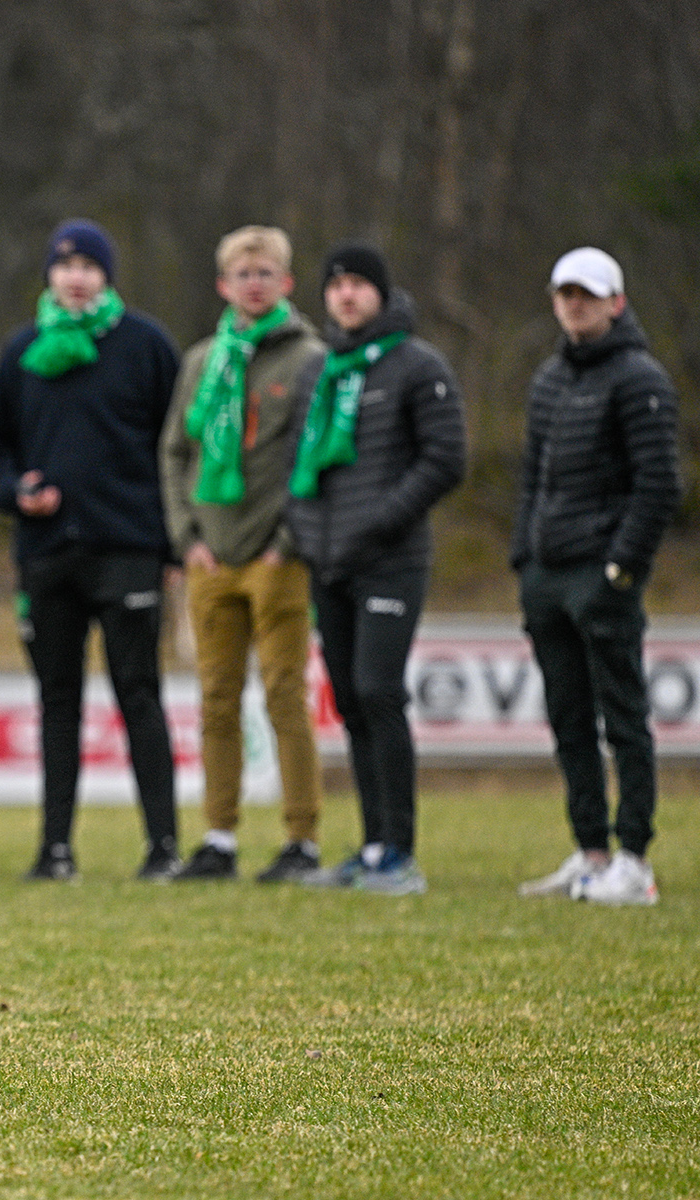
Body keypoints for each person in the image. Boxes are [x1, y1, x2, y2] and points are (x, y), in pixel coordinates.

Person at [0, 219, 182, 883]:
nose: (76, 275)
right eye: (64, 264)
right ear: (49, 275)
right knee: (57, 702)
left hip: (129, 549)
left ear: (107, 275)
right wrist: (15, 490)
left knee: (138, 694)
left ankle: (163, 847)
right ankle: (55, 849)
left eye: (89, 264)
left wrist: (173, 544)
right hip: (47, 553)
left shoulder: (146, 345)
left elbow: (179, 451)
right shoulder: (23, 351)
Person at [286, 243, 466, 895]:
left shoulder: (418, 366)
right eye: (336, 284)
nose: (346, 294)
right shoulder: (319, 371)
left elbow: (446, 459)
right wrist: (310, 538)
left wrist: (379, 520)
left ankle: (402, 855)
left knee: (379, 690)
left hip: (391, 561)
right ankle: (371, 847)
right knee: (352, 704)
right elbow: (297, 472)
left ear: (382, 295)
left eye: (360, 283)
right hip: (328, 564)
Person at [159, 227, 326, 883]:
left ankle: (301, 839)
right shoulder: (202, 360)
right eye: (241, 274)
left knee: (287, 697)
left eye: (265, 274)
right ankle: (219, 837)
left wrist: (288, 543)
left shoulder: (309, 358)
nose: (253, 284)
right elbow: (175, 453)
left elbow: (313, 462)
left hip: (276, 557)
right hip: (210, 558)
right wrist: (187, 537)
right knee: (216, 700)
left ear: (286, 283)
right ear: (223, 285)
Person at [513, 248, 679, 906]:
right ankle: (590, 852)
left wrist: (621, 567)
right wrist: (525, 558)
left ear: (617, 301)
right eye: (564, 293)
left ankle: (634, 859)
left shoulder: (641, 378)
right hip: (547, 574)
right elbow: (532, 478)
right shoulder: (549, 377)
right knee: (568, 719)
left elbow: (660, 485)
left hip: (601, 575)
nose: (574, 303)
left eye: (587, 293)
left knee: (624, 718)